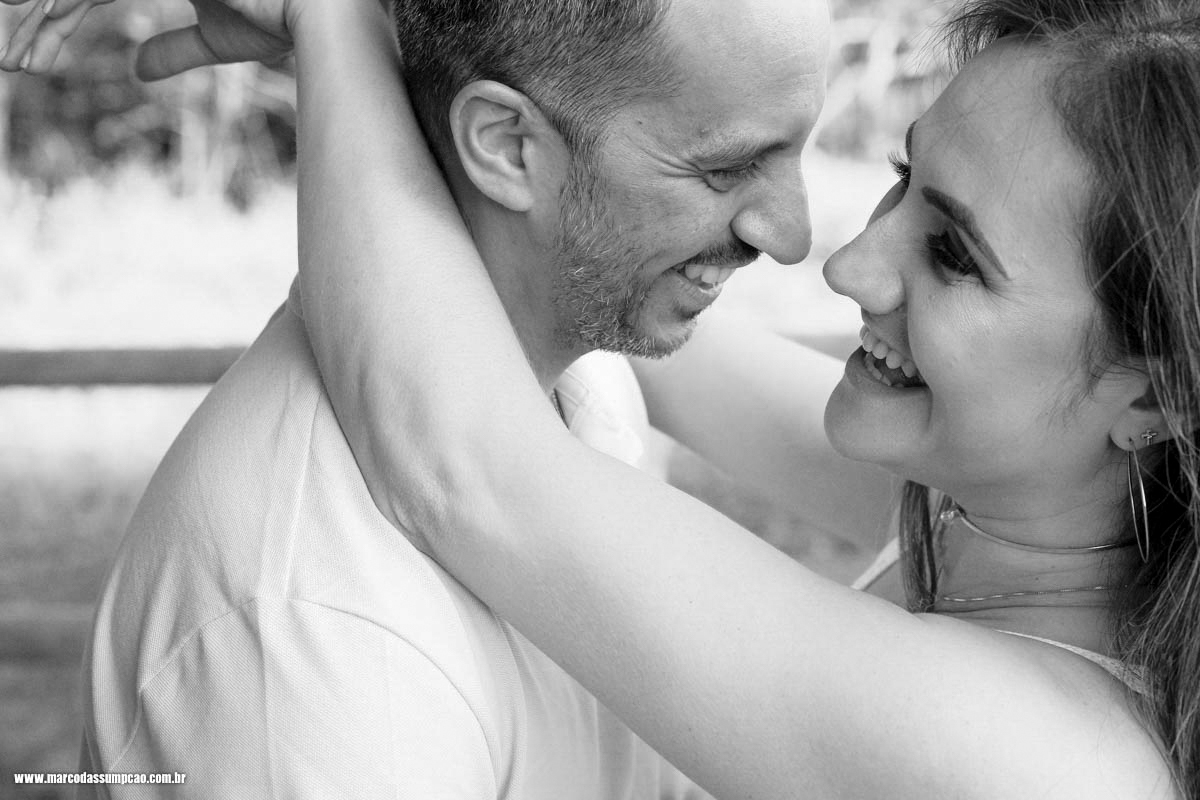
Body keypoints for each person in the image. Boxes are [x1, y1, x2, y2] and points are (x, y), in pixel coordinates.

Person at [133, 0, 1195, 797]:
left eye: (955, 254)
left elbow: (462, 458)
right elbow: (592, 280)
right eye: (898, 180)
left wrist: (333, 20)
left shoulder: (1034, 758)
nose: (846, 264)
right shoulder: (1017, 521)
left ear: (1154, 401)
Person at [2, 0, 837, 797]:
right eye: (726, 167)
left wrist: (339, 26)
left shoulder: (588, 378)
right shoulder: (326, 639)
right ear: (507, 147)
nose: (797, 238)